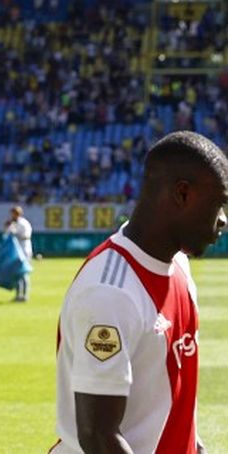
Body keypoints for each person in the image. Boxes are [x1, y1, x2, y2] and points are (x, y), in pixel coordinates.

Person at [50, 131, 228, 454]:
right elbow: (99, 437)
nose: (223, 220)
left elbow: (172, 400)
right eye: (218, 204)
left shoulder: (179, 268)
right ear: (182, 194)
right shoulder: (110, 292)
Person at [4, 205, 32, 301]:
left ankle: (24, 295)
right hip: (16, 251)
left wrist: (15, 234)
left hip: (24, 250)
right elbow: (6, 234)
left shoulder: (24, 223)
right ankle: (18, 295)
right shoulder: (13, 223)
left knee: (23, 273)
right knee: (16, 273)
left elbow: (26, 236)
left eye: (13, 213)